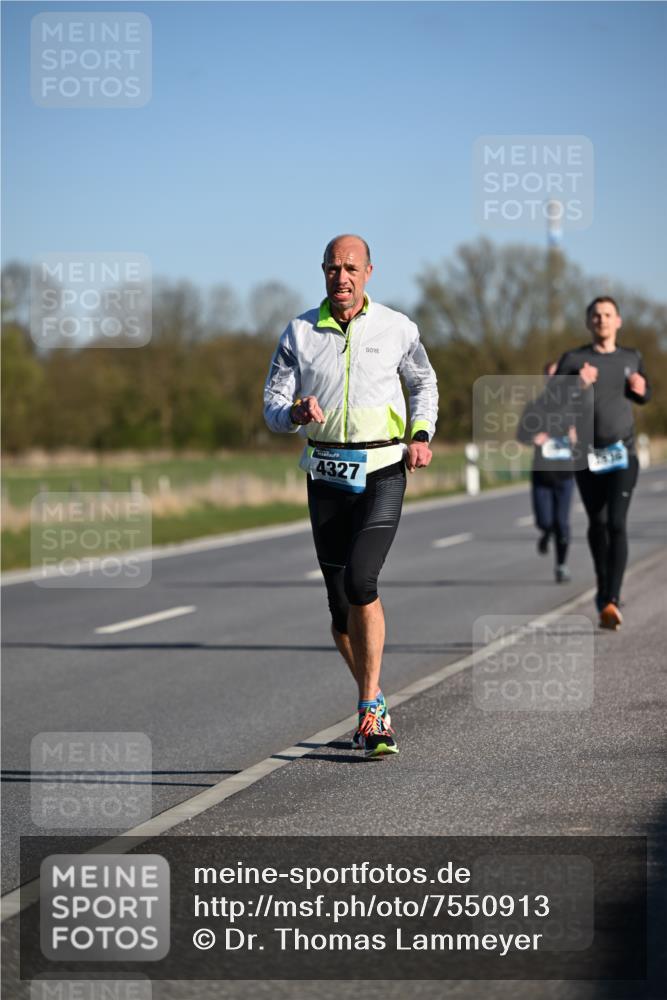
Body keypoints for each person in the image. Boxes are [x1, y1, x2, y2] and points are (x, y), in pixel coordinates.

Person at [263, 235, 438, 756]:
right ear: (322, 272)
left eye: (351, 268)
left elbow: (424, 384)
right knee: (340, 607)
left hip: (384, 466)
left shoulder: (397, 327)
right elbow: (271, 404)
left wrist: (422, 433)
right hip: (325, 473)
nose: (342, 277)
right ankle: (376, 697)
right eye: (333, 268)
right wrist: (292, 413)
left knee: (363, 580)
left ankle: (368, 711)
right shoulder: (298, 332)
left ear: (369, 272)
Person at [554, 296, 651, 629]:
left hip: (623, 453)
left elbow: (643, 393)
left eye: (608, 315)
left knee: (617, 524)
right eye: (596, 315)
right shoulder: (574, 360)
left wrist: (641, 389)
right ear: (588, 321)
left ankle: (611, 598)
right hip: (587, 455)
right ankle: (603, 589)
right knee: (597, 523)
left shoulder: (631, 357)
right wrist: (579, 386)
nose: (602, 320)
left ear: (618, 321)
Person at [517, 362, 576, 583]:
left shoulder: (574, 406)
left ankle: (561, 565)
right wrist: (533, 438)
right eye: (549, 376)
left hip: (565, 473)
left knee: (562, 522)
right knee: (544, 521)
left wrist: (576, 437)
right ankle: (546, 532)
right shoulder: (535, 406)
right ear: (545, 379)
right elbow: (520, 434)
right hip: (542, 473)